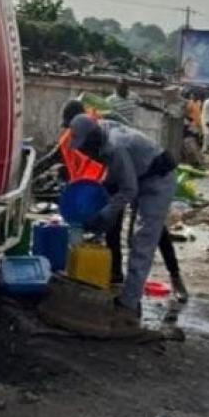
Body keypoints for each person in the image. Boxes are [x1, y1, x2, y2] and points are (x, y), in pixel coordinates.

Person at [67, 115, 177, 327]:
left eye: (85, 147)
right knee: (133, 239)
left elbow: (128, 188)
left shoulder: (116, 145)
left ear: (92, 140)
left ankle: (128, 306)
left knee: (141, 241)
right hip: (143, 175)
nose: (85, 152)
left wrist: (105, 214)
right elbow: (116, 177)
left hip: (157, 182)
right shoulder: (104, 131)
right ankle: (131, 296)